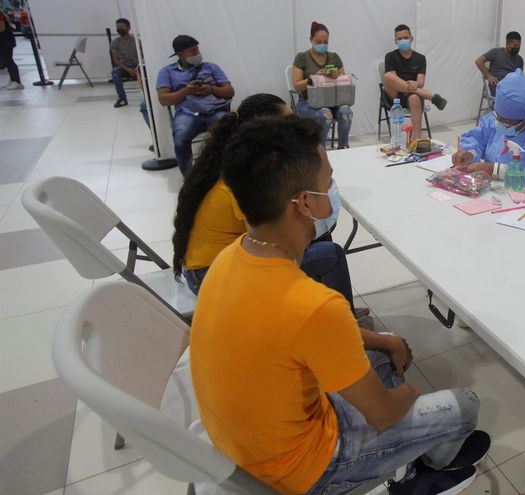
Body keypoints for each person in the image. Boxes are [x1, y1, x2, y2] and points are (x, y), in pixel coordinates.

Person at [191, 115, 489, 495]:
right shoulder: (312, 304)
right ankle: (424, 473)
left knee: (383, 356)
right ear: (304, 204)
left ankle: (407, 446)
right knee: (463, 404)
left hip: (247, 443)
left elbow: (306, 334)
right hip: (304, 469)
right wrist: (410, 394)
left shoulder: (230, 257)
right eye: (328, 183)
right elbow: (381, 411)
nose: (333, 191)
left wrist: (385, 341)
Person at [171, 93, 372, 324]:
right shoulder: (245, 174)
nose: (295, 125)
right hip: (210, 274)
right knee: (330, 252)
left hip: (211, 264)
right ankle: (344, 321)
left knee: (319, 239)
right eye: (288, 122)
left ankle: (322, 310)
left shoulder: (234, 156)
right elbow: (277, 232)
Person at [451, 69, 525, 198]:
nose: (499, 122)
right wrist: (470, 153)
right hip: (496, 190)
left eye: (506, 120)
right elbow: (476, 137)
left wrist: (495, 170)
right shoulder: (501, 115)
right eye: (498, 115)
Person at [156, 35, 235, 175]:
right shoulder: (167, 72)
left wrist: (211, 89)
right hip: (186, 113)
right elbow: (163, 100)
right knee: (180, 140)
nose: (197, 54)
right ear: (180, 54)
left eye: (197, 50)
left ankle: (230, 172)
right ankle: (189, 177)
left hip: (214, 110)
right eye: (192, 51)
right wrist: (186, 91)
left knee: (233, 129)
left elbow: (230, 91)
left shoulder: (211, 67)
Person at [291, 21, 353, 149]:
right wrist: (314, 78)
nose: (322, 45)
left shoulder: (334, 57)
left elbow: (344, 83)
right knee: (325, 114)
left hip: (333, 101)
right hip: (308, 103)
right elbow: (296, 85)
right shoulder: (302, 58)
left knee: (346, 111)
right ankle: (320, 151)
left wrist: (337, 76)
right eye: (318, 42)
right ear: (311, 40)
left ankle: (343, 148)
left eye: (326, 42)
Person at [383, 24, 447, 141]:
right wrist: (415, 87)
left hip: (412, 94)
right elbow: (392, 80)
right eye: (399, 39)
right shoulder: (390, 56)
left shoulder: (420, 58)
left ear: (411, 38)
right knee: (387, 76)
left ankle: (417, 140)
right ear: (395, 41)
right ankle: (429, 96)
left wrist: (415, 84)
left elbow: (420, 82)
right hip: (394, 94)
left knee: (414, 98)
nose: (403, 40)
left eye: (405, 38)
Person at [475, 31, 523, 96]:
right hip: (497, 86)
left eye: (519, 46)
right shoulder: (496, 52)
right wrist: (489, 76)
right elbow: (478, 61)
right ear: (507, 43)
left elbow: (520, 77)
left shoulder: (519, 60)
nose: (517, 48)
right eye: (515, 45)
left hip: (512, 88)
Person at [110, 18, 138, 108]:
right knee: (115, 72)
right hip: (124, 67)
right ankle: (122, 99)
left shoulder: (137, 41)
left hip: (137, 66)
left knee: (147, 71)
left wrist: (137, 68)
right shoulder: (115, 42)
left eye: (122, 27)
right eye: (118, 27)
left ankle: (149, 96)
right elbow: (116, 60)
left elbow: (143, 57)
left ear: (128, 28)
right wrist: (128, 69)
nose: (119, 29)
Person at [0, 8, 23, 90]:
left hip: (5, 41)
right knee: (7, 60)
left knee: (9, 61)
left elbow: (2, 27)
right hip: (4, 41)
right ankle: (13, 80)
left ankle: (17, 82)